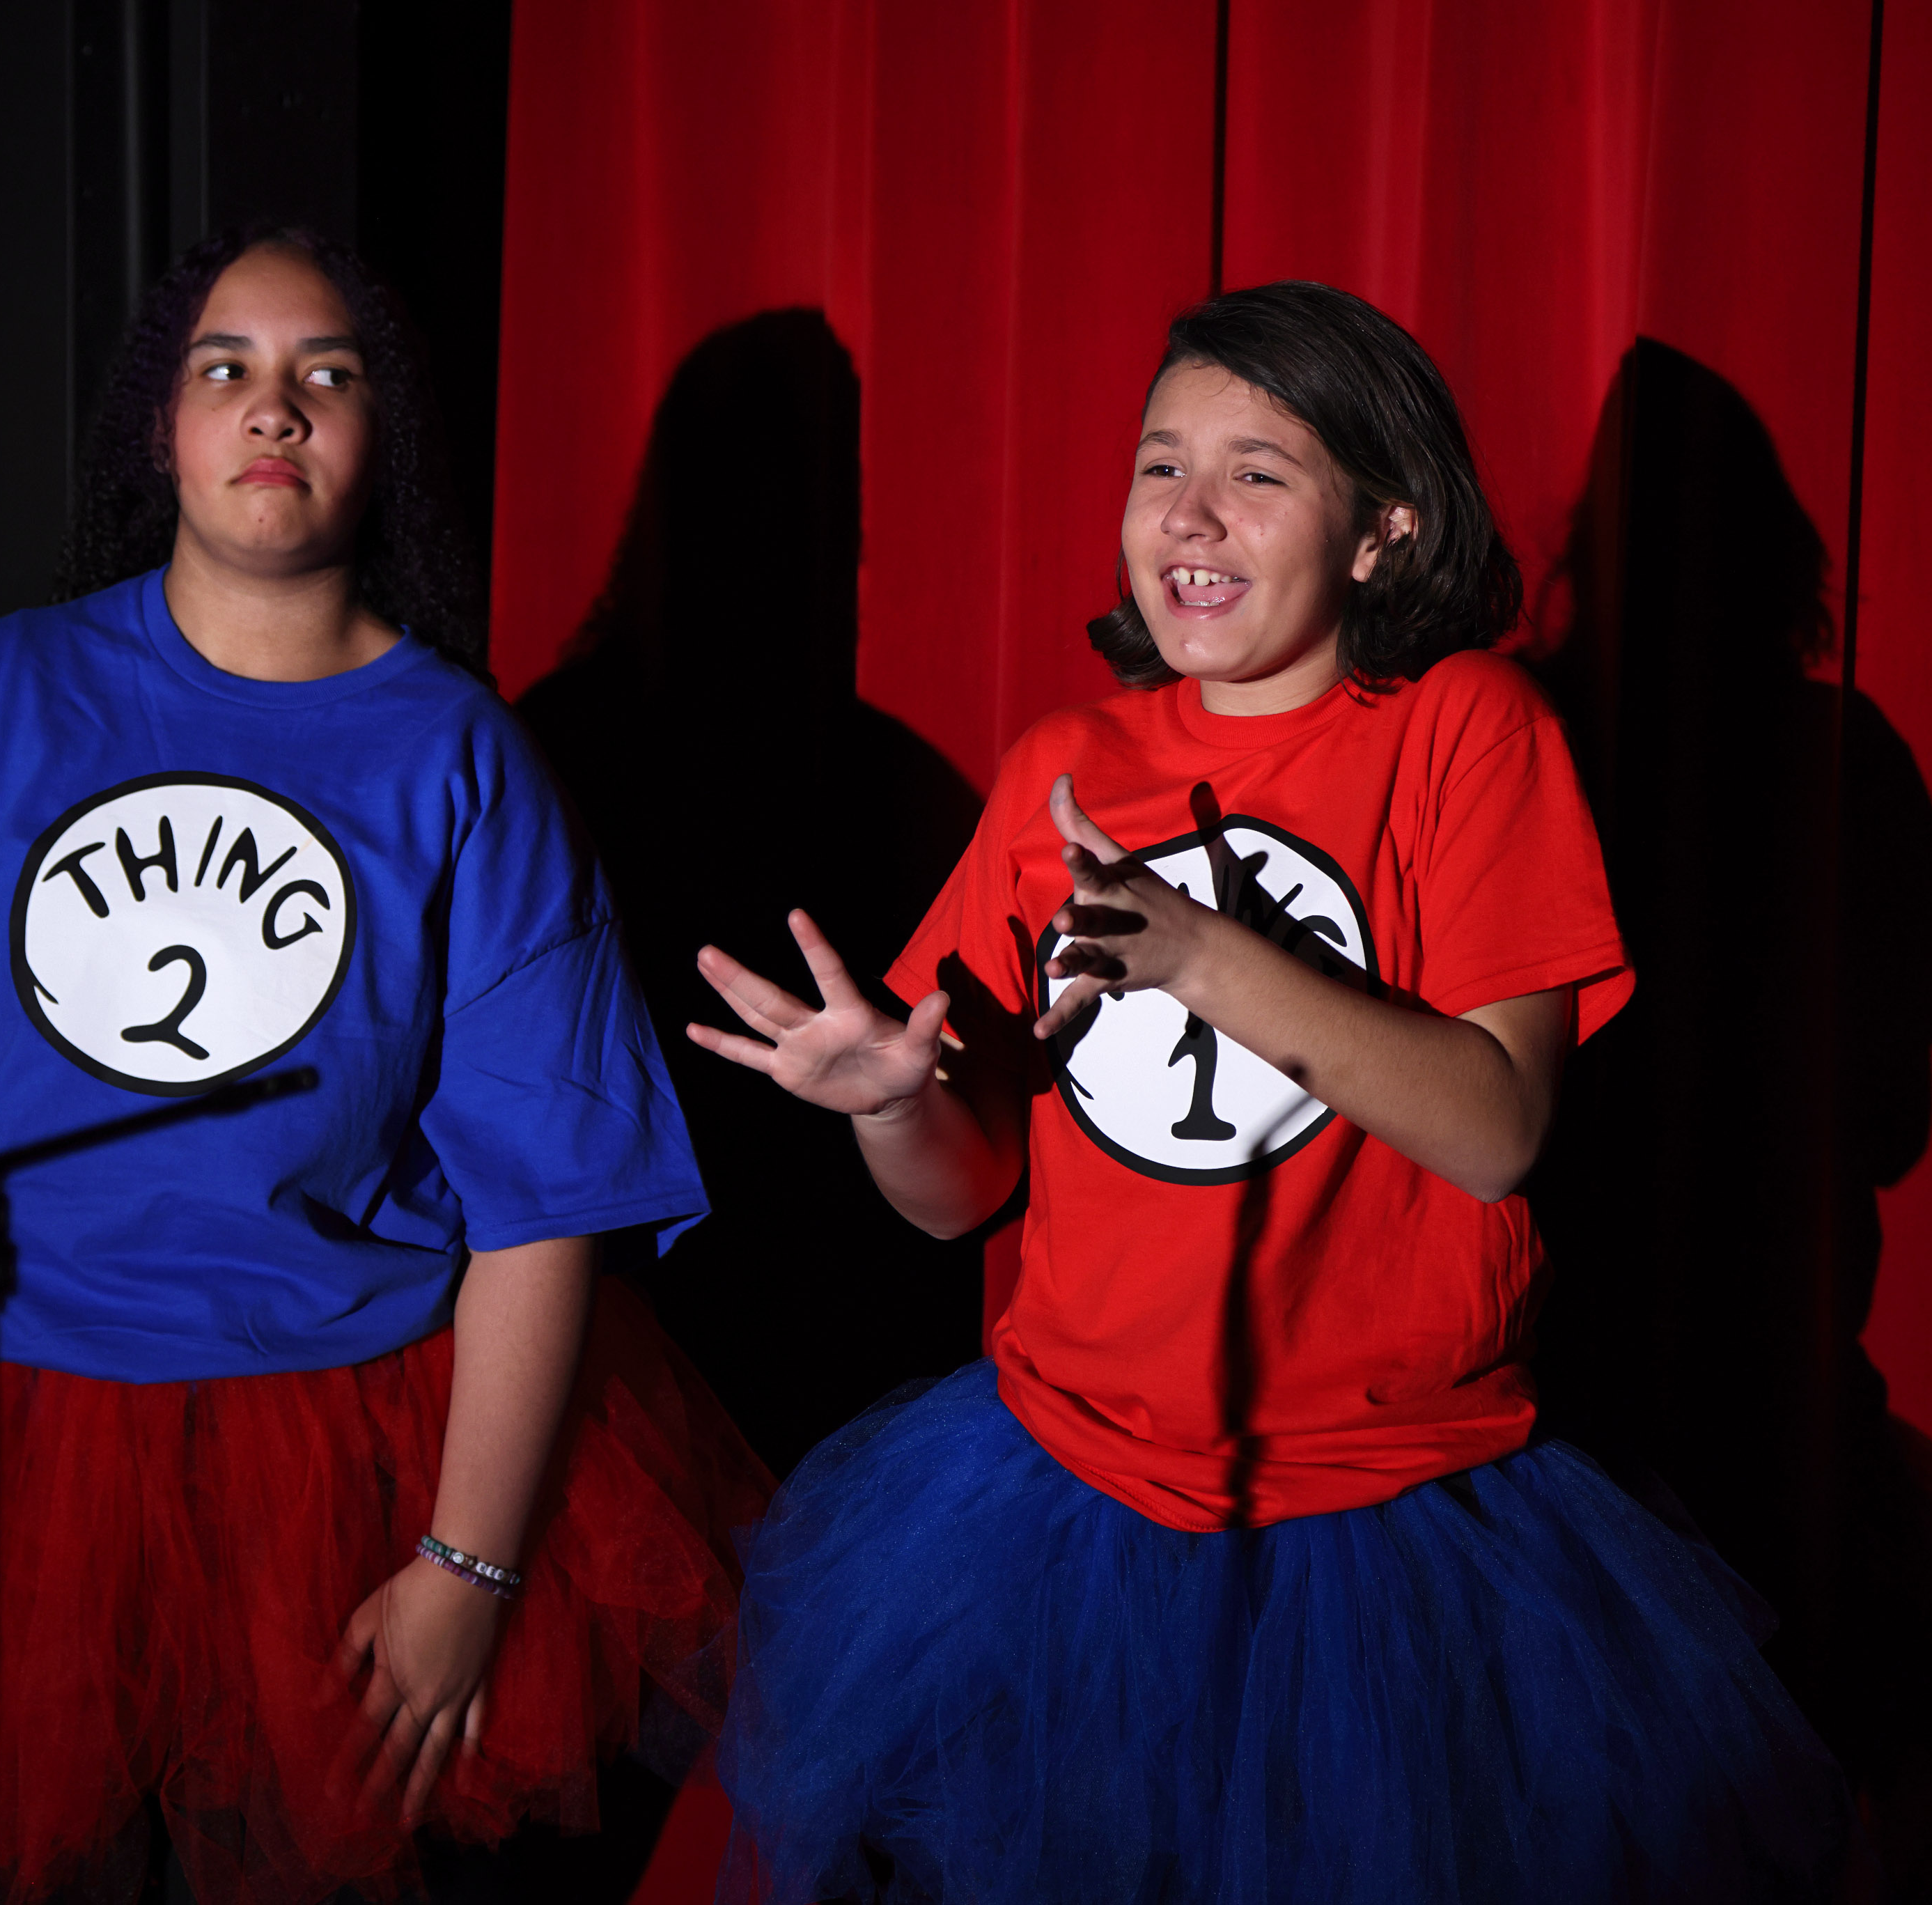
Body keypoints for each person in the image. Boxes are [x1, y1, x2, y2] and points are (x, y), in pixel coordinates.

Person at [691, 282, 1854, 1903]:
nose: (1190, 512)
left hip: (1380, 1528)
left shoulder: (1466, 731)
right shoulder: (1062, 768)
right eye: (1160, 465)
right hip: (1065, 1501)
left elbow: (1498, 1129)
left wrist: (1202, 956)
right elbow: (962, 1197)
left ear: (1381, 531)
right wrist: (891, 1102)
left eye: (1256, 472)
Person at [0, 226, 771, 1905]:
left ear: (383, 438)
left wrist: (467, 1564)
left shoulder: (460, 754)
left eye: (328, 373)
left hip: (347, 1462)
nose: (274, 407)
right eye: (225, 367)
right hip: (1, 1439)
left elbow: (546, 1196)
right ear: (159, 428)